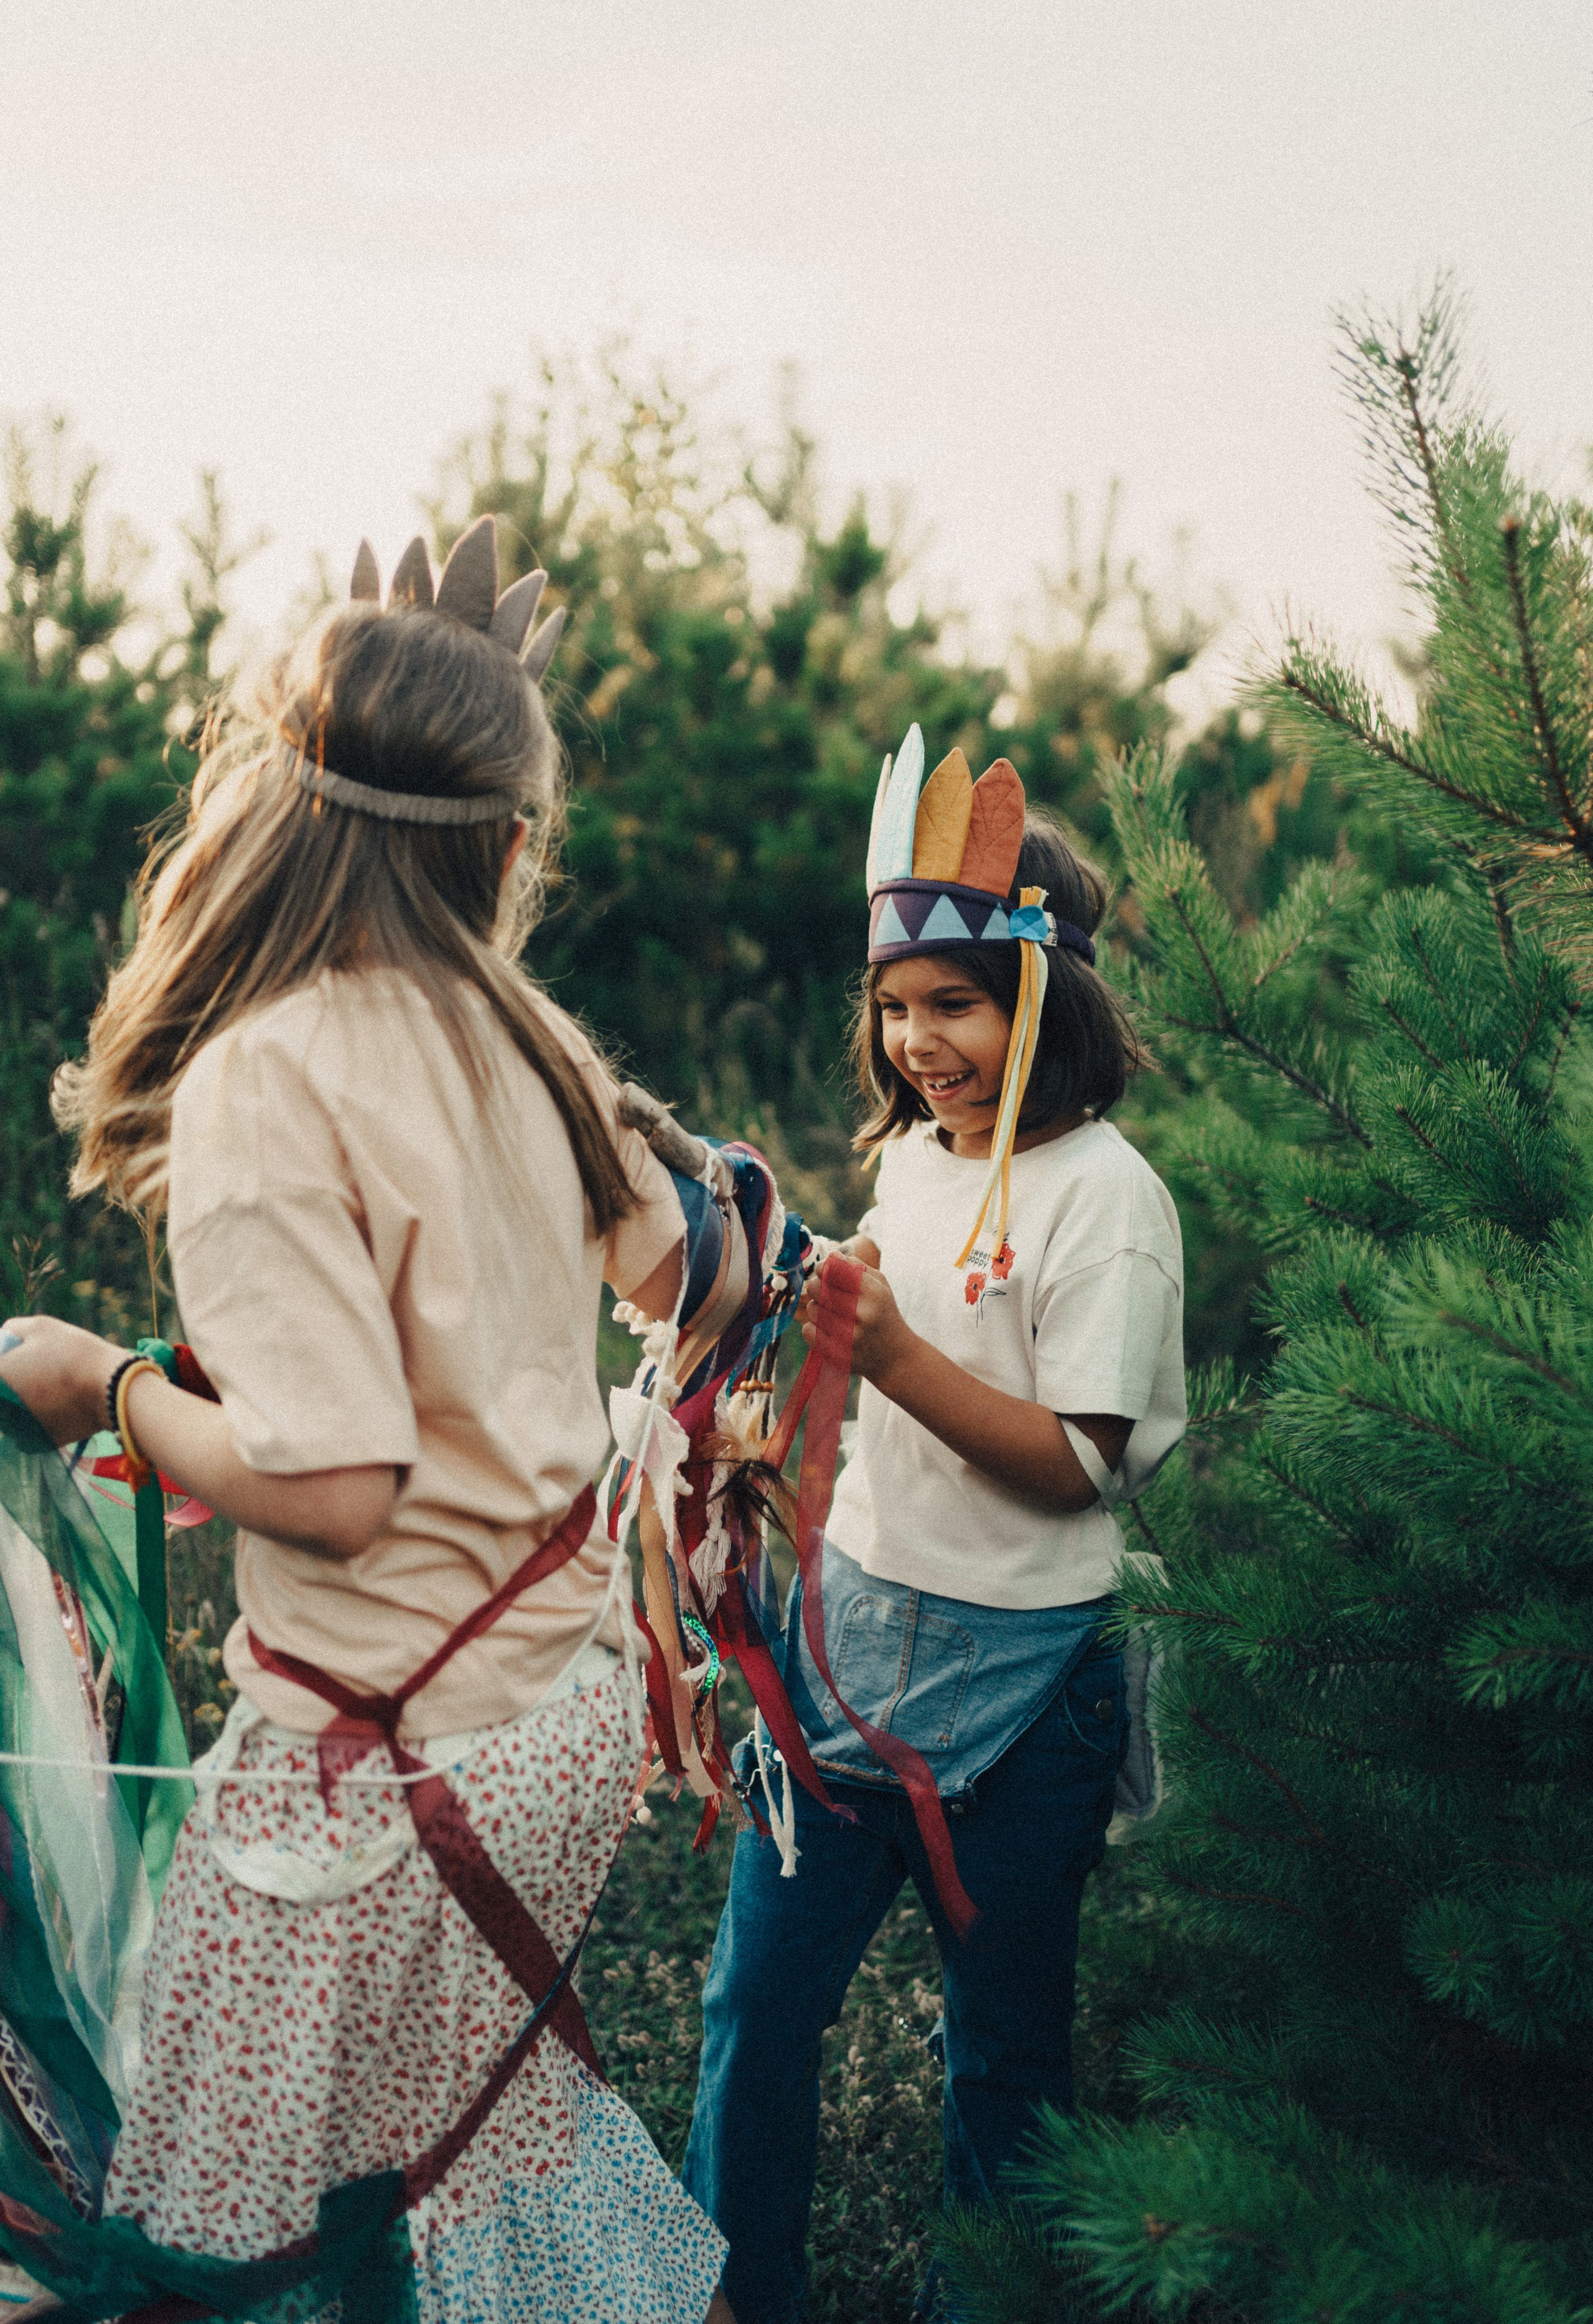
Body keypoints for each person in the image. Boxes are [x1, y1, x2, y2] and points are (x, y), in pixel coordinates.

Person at [0, 521, 734, 2324]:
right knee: (474, 2142)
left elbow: (334, 1485)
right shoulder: (533, 1041)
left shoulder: (273, 1072)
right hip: (555, 1728)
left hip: (374, 1770)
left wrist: (108, 1383)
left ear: (275, 799)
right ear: (500, 839)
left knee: (217, 2225)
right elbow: (681, 1277)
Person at [681, 734, 1187, 2324]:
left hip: (1028, 1695)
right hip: (847, 1667)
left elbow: (1073, 1467)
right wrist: (779, 1437)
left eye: (953, 1006)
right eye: (893, 1009)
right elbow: (863, 1386)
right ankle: (730, 2292)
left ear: (1050, 1003)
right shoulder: (907, 1163)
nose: (916, 1045)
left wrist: (894, 1352)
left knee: (1004, 2051)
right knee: (755, 2003)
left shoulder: (1107, 1201)